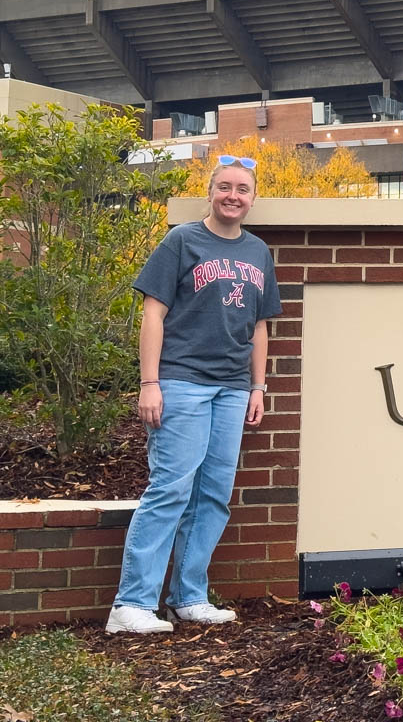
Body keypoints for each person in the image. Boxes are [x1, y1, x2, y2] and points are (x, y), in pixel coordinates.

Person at [105, 153, 281, 635]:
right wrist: (149, 383)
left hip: (231, 389)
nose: (233, 196)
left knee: (214, 495)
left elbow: (260, 327)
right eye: (225, 186)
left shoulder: (257, 252)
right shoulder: (182, 241)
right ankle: (131, 604)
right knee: (170, 489)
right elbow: (153, 314)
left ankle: (188, 596)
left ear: (252, 197)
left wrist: (257, 386)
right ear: (211, 191)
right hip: (180, 383)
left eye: (242, 189)